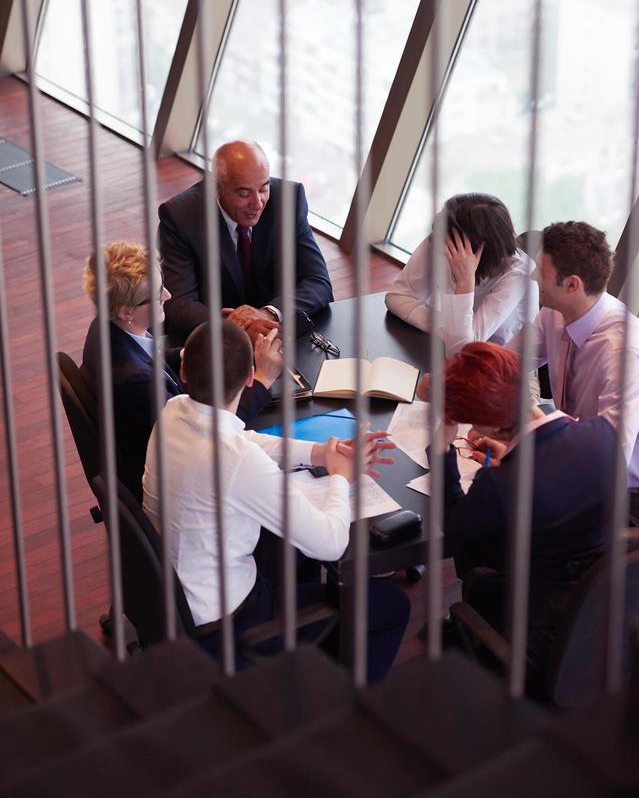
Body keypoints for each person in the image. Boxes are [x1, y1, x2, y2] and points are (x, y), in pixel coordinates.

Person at [142, 319, 410, 683]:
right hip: (229, 626)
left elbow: (245, 439)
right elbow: (331, 543)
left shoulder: (173, 412)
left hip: (176, 600)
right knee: (391, 606)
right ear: (251, 377)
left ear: (184, 370)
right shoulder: (234, 460)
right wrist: (340, 477)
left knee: (287, 549)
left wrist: (320, 453)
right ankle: (338, 705)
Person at [438, 341, 616, 695]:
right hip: (600, 602)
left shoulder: (499, 485)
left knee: (477, 565)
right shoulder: (602, 435)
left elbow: (455, 532)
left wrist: (443, 451)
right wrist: (515, 457)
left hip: (537, 622)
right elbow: (558, 477)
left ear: (493, 421)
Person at [81, 242, 283, 502]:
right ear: (126, 311)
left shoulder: (107, 327)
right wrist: (263, 378)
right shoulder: (137, 384)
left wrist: (192, 353)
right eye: (155, 294)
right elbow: (209, 440)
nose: (167, 295)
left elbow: (149, 355)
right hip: (178, 486)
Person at [506, 221, 639, 527]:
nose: (535, 278)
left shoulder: (623, 352)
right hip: (575, 451)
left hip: (629, 493)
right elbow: (506, 362)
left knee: (508, 510)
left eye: (542, 273)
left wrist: (529, 427)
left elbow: (609, 457)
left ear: (572, 284)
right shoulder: (553, 311)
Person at [158, 139, 333, 344]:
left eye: (263, 188)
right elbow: (179, 303)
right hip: (216, 342)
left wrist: (268, 313)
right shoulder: (181, 216)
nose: (257, 203)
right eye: (244, 193)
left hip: (280, 334)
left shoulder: (288, 199)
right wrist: (239, 328)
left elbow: (319, 282)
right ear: (217, 187)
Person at [385, 193, 537, 358]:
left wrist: (465, 282)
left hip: (500, 363)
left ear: (475, 249)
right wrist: (447, 330)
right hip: (446, 350)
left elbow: (461, 351)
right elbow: (397, 296)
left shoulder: (519, 275)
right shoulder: (444, 236)